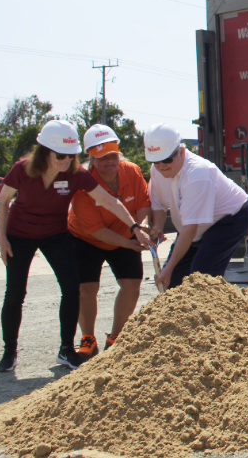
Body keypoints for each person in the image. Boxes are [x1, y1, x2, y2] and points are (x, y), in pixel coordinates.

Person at [0, 120, 151, 371]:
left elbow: (109, 201)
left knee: (71, 289)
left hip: (55, 235)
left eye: (71, 155)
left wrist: (134, 227)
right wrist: (2, 239)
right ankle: (9, 352)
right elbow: (3, 201)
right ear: (45, 151)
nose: (67, 160)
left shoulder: (76, 174)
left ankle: (66, 350)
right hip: (20, 234)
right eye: (61, 155)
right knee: (15, 294)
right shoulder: (22, 169)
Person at [68, 124, 152, 358]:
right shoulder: (81, 184)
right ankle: (88, 339)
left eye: (113, 154)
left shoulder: (132, 171)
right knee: (86, 288)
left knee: (132, 284)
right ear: (91, 158)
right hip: (86, 238)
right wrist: (129, 242)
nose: (109, 160)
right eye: (102, 156)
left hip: (126, 232)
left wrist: (142, 227)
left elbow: (143, 204)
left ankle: (116, 337)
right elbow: (96, 230)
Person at [145, 123, 248, 289]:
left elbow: (190, 229)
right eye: (155, 161)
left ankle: (215, 304)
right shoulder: (157, 170)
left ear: (181, 152)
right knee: (173, 282)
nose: (161, 166)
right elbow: (158, 204)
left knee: (201, 278)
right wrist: (157, 227)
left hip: (230, 219)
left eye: (167, 159)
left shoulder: (197, 174)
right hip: (194, 226)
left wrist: (168, 268)